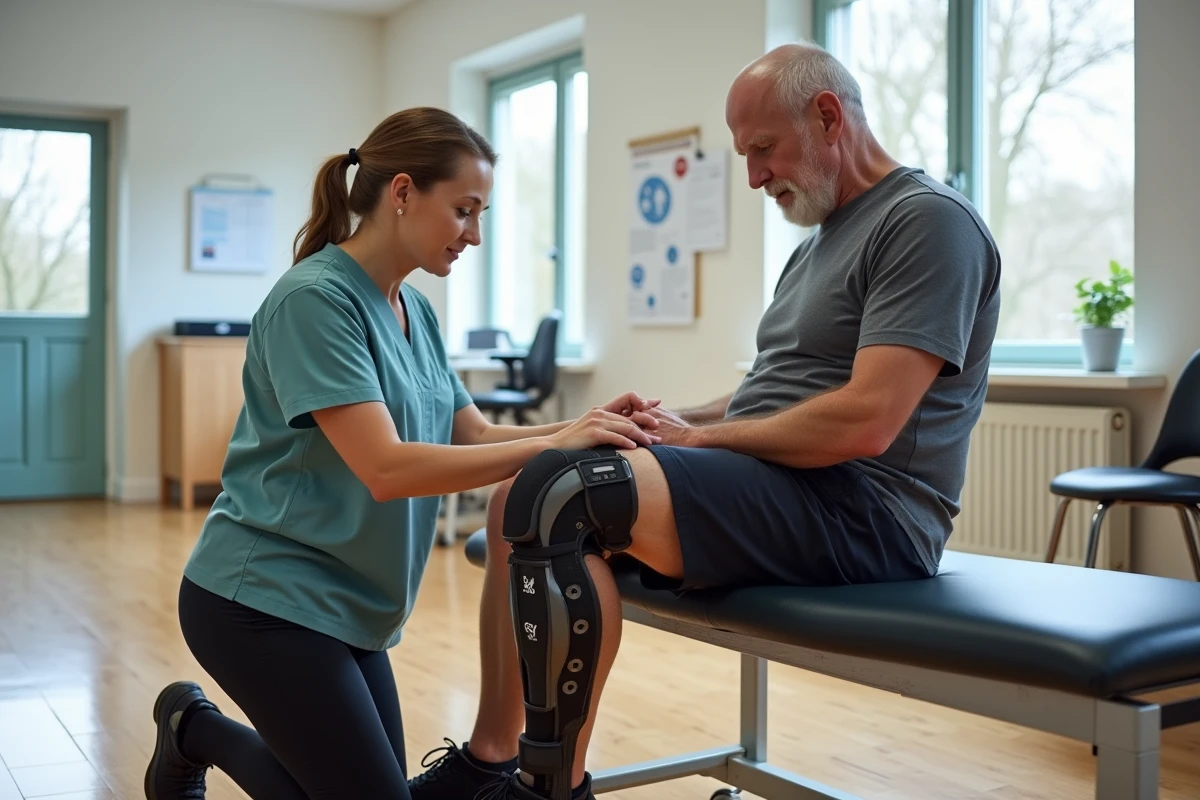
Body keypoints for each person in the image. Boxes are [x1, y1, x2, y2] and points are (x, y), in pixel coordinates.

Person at [408, 41, 1002, 800]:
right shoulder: (818, 243)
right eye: (743, 154)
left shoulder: (927, 223)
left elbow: (866, 421)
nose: (753, 176)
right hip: (784, 486)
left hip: (865, 510)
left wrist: (700, 440)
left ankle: (552, 787)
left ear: (828, 117)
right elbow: (771, 391)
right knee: (512, 499)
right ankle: (488, 764)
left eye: (763, 149)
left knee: (564, 494)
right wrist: (667, 419)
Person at [143, 106, 664, 800]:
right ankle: (193, 729)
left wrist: (585, 424)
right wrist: (552, 441)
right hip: (262, 600)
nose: (475, 235)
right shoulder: (315, 301)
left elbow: (472, 435)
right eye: (464, 210)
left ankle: (189, 728)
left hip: (354, 608)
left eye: (481, 215)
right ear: (402, 193)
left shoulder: (413, 310)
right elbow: (386, 469)